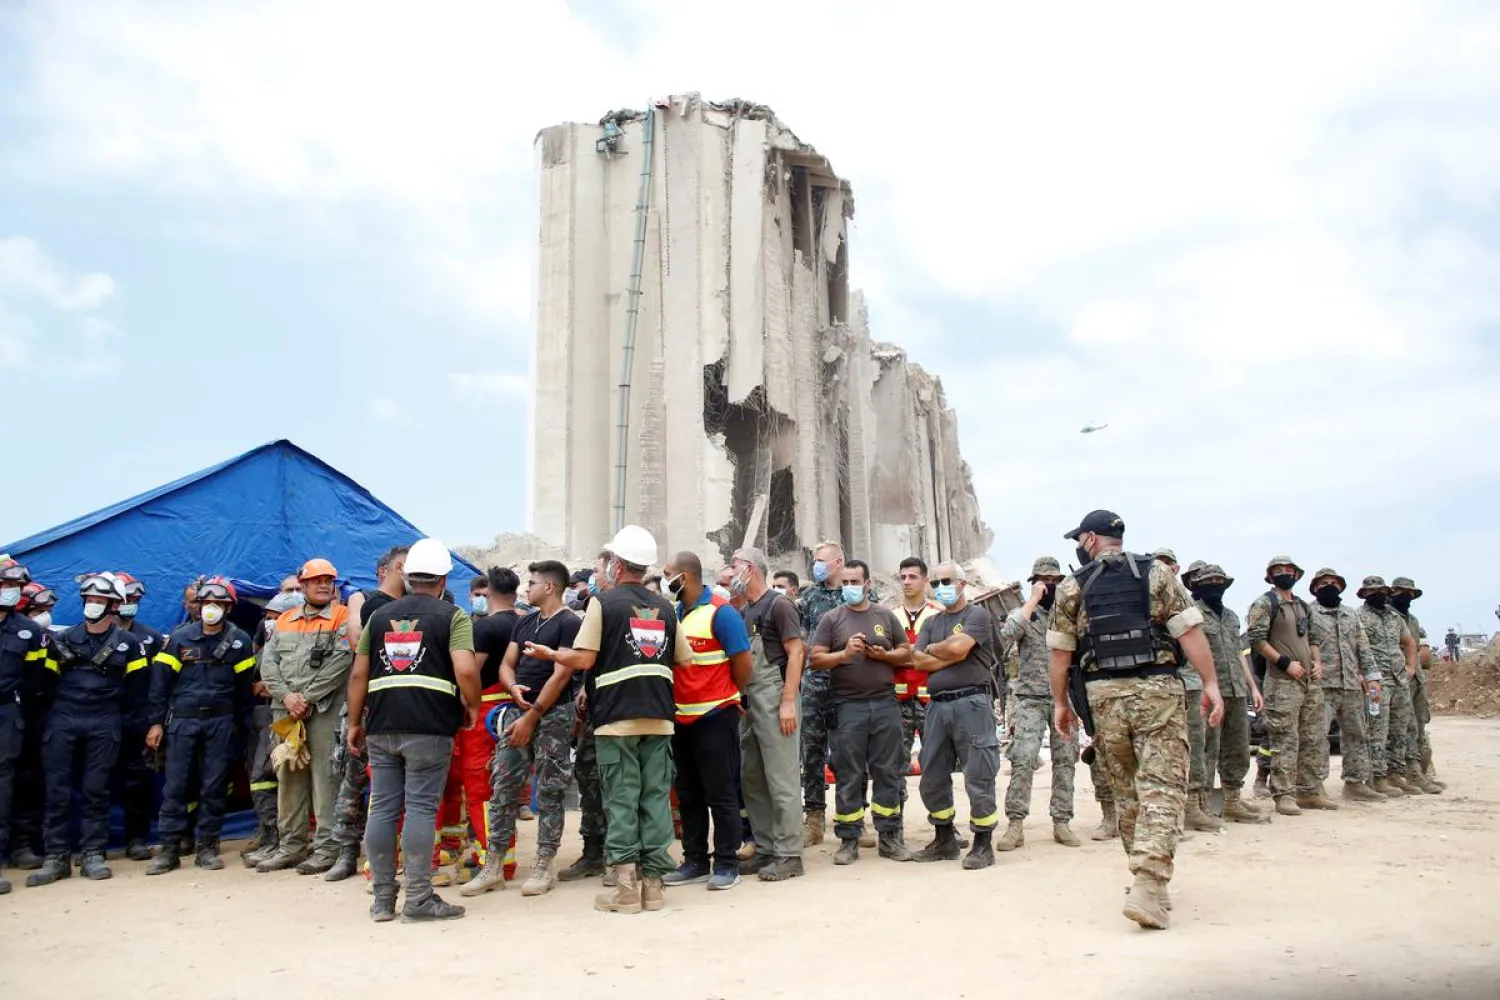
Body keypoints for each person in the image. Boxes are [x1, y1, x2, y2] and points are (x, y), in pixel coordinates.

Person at [1048, 511, 1224, 930]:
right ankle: (1149, 880)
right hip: (1157, 691)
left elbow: (1060, 653)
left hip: (1103, 697)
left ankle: (1146, 880)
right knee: (1162, 787)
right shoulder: (1157, 574)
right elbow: (1189, 633)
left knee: (1127, 790)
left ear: (1090, 539)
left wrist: (1060, 704)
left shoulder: (1074, 585)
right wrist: (1211, 682)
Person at [523, 525, 693, 914]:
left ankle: (625, 890)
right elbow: (684, 659)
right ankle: (653, 887)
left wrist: (550, 655)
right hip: (659, 717)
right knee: (654, 801)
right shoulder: (666, 608)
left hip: (616, 720)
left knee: (620, 800)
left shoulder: (604, 603)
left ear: (617, 564)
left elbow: (583, 659)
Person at [346, 538, 480, 923]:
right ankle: (419, 899)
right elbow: (466, 670)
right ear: (442, 579)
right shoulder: (452, 617)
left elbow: (359, 674)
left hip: (382, 723)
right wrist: (470, 703)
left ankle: (383, 900)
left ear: (406, 576)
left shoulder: (378, 617)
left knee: (384, 808)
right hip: (429, 725)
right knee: (421, 808)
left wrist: (355, 722)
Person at [463, 560, 581, 898]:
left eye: (532, 583)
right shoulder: (525, 621)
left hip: (553, 714)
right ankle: (493, 865)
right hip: (518, 710)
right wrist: (512, 688)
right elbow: (506, 663)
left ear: (550, 587)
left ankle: (544, 864)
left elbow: (561, 674)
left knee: (550, 789)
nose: (526, 589)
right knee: (502, 785)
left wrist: (532, 716)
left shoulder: (569, 623)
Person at [28, 573, 149, 886]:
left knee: (97, 789)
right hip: (63, 718)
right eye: (90, 600)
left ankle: (93, 853)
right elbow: (44, 684)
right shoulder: (63, 638)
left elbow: (138, 691)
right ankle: (56, 857)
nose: (93, 605)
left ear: (112, 606)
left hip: (105, 719)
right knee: (57, 790)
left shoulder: (130, 644)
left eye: (100, 601)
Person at [145, 577, 256, 873]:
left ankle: (207, 847)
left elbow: (243, 689)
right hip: (182, 721)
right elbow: (159, 686)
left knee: (214, 785)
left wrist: (242, 728)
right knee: (176, 786)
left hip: (221, 722)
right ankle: (168, 849)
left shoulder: (239, 641)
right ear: (198, 606)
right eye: (207, 603)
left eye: (219, 604)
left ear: (228, 608)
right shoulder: (180, 639)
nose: (212, 609)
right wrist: (156, 724)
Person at [809, 559, 915, 865]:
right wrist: (844, 654)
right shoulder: (832, 619)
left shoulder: (885, 616)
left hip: (884, 703)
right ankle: (849, 840)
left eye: (855, 582)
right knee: (849, 773)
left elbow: (905, 652)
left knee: (888, 770)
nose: (850, 588)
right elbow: (815, 660)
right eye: (845, 583)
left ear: (867, 584)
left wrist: (885, 654)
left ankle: (890, 838)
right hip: (847, 705)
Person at [661, 552, 754, 888]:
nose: (663, 578)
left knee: (722, 792)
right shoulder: (675, 614)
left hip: (715, 715)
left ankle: (727, 863)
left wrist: (729, 695)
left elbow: (743, 662)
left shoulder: (721, 612)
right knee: (688, 793)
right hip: (681, 718)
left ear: (684, 577)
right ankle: (695, 860)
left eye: (667, 573)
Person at [256, 558, 354, 874]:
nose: (323, 585)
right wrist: (287, 697)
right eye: (316, 581)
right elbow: (267, 665)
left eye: (328, 580)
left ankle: (327, 850)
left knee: (326, 780)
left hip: (323, 713)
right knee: (288, 778)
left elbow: (341, 664)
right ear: (304, 585)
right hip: (286, 712)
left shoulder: (343, 618)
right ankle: (291, 847)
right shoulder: (284, 621)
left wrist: (305, 699)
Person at [322, 546, 408, 881]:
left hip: (404, 706)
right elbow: (358, 641)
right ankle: (346, 851)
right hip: (371, 703)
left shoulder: (417, 605)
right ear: (396, 568)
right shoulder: (369, 601)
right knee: (355, 777)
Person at [910, 561, 1001, 870]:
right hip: (936, 706)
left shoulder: (976, 615)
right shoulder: (931, 622)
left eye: (946, 581)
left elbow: (960, 648)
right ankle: (944, 839)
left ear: (962, 584)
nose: (939, 588)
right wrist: (948, 653)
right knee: (932, 773)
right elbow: (918, 662)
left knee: (978, 772)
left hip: (971, 703)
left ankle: (982, 844)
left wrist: (946, 651)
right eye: (934, 583)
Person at [733, 546, 807, 882]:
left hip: (776, 697)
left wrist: (788, 701)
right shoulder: (747, 609)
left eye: (734, 566)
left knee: (781, 777)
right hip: (750, 700)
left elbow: (796, 652)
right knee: (754, 777)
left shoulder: (779, 605)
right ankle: (764, 848)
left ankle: (789, 854)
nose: (730, 572)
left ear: (750, 569)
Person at [997, 556, 1081, 851]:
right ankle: (1015, 824)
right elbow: (1005, 637)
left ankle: (1062, 822)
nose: (1051, 586)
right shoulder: (1023, 614)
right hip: (1030, 698)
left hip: (1065, 699)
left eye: (1056, 581)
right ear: (1034, 583)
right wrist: (1032, 601)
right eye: (1045, 581)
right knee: (1023, 759)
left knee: (1066, 761)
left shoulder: (1069, 614)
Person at [1247, 557, 1331, 816]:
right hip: (1282, 682)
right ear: (1270, 575)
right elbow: (1257, 639)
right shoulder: (1265, 603)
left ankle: (1309, 790)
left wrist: (1317, 663)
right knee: (1284, 739)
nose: (1284, 574)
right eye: (1278, 571)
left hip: (1308, 682)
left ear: (1296, 574)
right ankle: (1283, 793)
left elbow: (1313, 638)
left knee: (1313, 738)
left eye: (1289, 571)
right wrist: (1285, 663)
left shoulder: (1303, 606)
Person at [1188, 563, 1268, 823]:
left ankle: (1233, 800)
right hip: (1210, 692)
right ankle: (1202, 805)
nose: (1216, 586)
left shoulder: (1232, 617)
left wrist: (1253, 687)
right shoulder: (1192, 615)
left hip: (1236, 691)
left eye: (1219, 581)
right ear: (1197, 586)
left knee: (1238, 747)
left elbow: (1238, 654)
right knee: (1207, 749)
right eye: (1209, 581)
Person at [1305, 568, 1385, 803]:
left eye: (1334, 582)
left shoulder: (1351, 615)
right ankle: (1313, 786)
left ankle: (1355, 783)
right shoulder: (1308, 612)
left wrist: (1372, 678)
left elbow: (1363, 648)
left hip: (1350, 684)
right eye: (1323, 583)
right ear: (1315, 588)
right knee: (1317, 736)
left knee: (1357, 733)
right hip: (1321, 685)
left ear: (1341, 587)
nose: (1329, 586)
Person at [0, 560, 54, 895]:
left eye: (14, 588)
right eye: (6, 586)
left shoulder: (29, 632)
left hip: (9, 713)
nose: (10, 593)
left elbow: (37, 682)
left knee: (6, 781)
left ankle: (11, 849)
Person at [557, 555, 611, 885]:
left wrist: (551, 655)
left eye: (598, 570)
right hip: (596, 703)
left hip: (616, 708)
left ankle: (618, 853)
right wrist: (587, 690)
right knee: (589, 775)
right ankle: (594, 851)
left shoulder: (611, 607)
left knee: (617, 783)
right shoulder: (596, 607)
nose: (593, 576)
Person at [110, 571, 166, 862]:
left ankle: (137, 840)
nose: (130, 604)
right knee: (96, 784)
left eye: (135, 599)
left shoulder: (151, 638)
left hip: (138, 721)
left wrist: (155, 721)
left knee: (138, 784)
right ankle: (93, 845)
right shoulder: (88, 636)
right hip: (101, 719)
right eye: (125, 599)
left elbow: (158, 685)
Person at [242, 591, 301, 867]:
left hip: (280, 715)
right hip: (259, 716)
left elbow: (282, 681)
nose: (269, 622)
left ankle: (278, 839)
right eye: (267, 617)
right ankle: (269, 836)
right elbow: (255, 681)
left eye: (275, 617)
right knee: (259, 775)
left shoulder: (296, 645)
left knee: (266, 774)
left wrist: (270, 688)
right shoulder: (266, 645)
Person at [799, 540, 846, 847]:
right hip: (815, 685)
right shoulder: (808, 597)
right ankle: (814, 818)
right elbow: (801, 639)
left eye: (820, 560)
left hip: (846, 686)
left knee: (848, 753)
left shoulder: (854, 594)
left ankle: (850, 814)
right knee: (812, 752)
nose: (815, 564)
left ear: (838, 562)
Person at [1355, 576, 1420, 798]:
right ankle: (1377, 777)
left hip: (1399, 680)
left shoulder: (1394, 617)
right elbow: (1352, 647)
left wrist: (1411, 666)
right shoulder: (1358, 617)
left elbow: (1409, 641)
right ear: (1364, 593)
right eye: (1373, 591)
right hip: (1376, 682)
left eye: (1382, 591)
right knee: (1377, 730)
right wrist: (1360, 675)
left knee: (1399, 729)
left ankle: (1396, 774)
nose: (1379, 595)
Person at [1172, 563, 1224, 834]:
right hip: (1171, 687)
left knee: (1202, 745)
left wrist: (1209, 684)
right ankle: (1183, 808)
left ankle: (1198, 804)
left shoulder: (1186, 608)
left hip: (1195, 686)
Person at [9, 580, 57, 873]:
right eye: (38, 610)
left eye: (47, 610)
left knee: (29, 782)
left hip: (33, 719)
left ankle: (22, 844)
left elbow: (44, 682)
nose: (44, 615)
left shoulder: (47, 639)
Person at [892, 557, 941, 785]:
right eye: (902, 577)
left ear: (925, 580)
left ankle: (942, 819)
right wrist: (921, 655)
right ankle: (894, 818)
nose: (906, 582)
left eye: (912, 577)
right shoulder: (890, 616)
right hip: (897, 700)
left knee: (936, 762)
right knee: (894, 765)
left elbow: (945, 656)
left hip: (930, 700)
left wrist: (904, 655)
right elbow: (884, 656)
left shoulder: (939, 615)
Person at [1391, 577, 1443, 792]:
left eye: (1410, 593)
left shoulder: (1412, 620)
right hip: (1395, 679)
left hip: (1416, 680)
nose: (1406, 596)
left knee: (1418, 724)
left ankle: (1419, 770)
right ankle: (1403, 772)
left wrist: (1417, 667)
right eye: (1401, 591)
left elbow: (1423, 651)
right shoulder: (1388, 617)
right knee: (1402, 727)